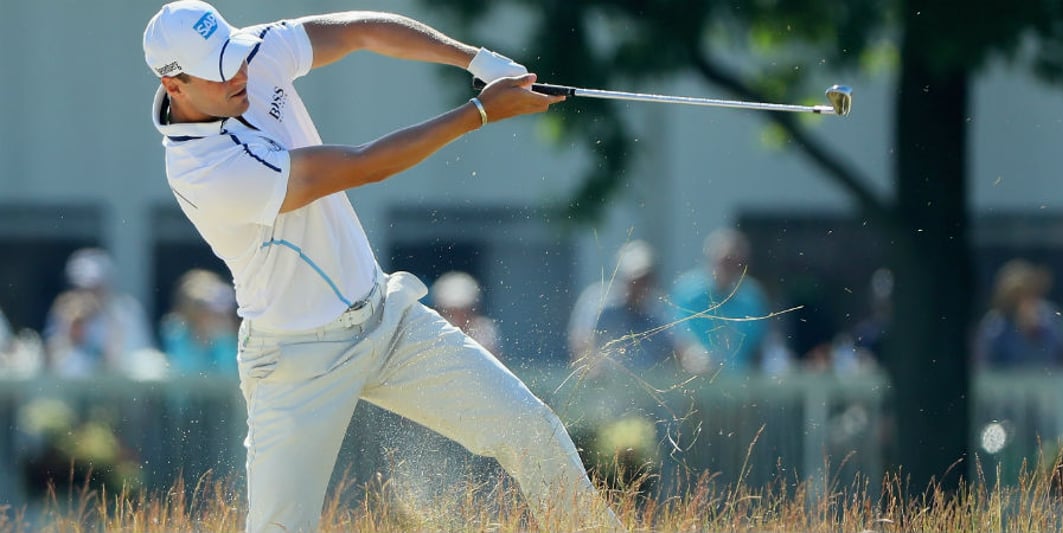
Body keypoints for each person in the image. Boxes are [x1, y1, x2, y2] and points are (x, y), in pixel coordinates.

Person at [142, 2, 618, 531]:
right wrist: (480, 112)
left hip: (385, 318)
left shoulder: (247, 57)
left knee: (533, 430)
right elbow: (363, 165)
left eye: (236, 54)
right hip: (298, 357)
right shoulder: (203, 171)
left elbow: (363, 31)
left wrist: (477, 59)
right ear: (176, 84)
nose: (241, 71)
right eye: (220, 67)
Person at [572, 240, 681, 376]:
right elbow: (582, 341)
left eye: (647, 279)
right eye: (637, 279)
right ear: (622, 277)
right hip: (605, 386)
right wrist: (591, 366)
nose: (642, 286)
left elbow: (678, 347)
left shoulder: (658, 309)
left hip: (648, 388)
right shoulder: (598, 301)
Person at [669, 228, 769, 375]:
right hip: (694, 382)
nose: (729, 267)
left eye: (736, 262)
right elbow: (673, 333)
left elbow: (761, 347)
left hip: (738, 386)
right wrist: (690, 354)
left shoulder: (752, 298)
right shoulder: (687, 291)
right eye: (725, 260)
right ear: (712, 259)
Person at [43, 248, 156, 377]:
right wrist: (70, 333)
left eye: (93, 288)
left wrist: (111, 324)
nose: (86, 294)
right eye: (79, 287)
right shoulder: (62, 313)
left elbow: (138, 362)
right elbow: (52, 365)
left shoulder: (127, 311)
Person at [975, 259, 1063, 370]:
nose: (1021, 299)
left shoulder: (1050, 316)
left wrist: (1037, 333)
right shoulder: (994, 325)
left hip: (1050, 384)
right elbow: (984, 364)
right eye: (1015, 294)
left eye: (1026, 291)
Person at [160, 269, 239, 377]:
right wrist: (200, 340)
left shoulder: (225, 337)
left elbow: (230, 372)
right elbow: (185, 371)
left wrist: (221, 338)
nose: (207, 315)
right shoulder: (175, 332)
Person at [431, 271, 502, 358]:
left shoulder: (483, 331)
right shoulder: (434, 331)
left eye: (463, 310)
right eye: (452, 312)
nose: (458, 316)